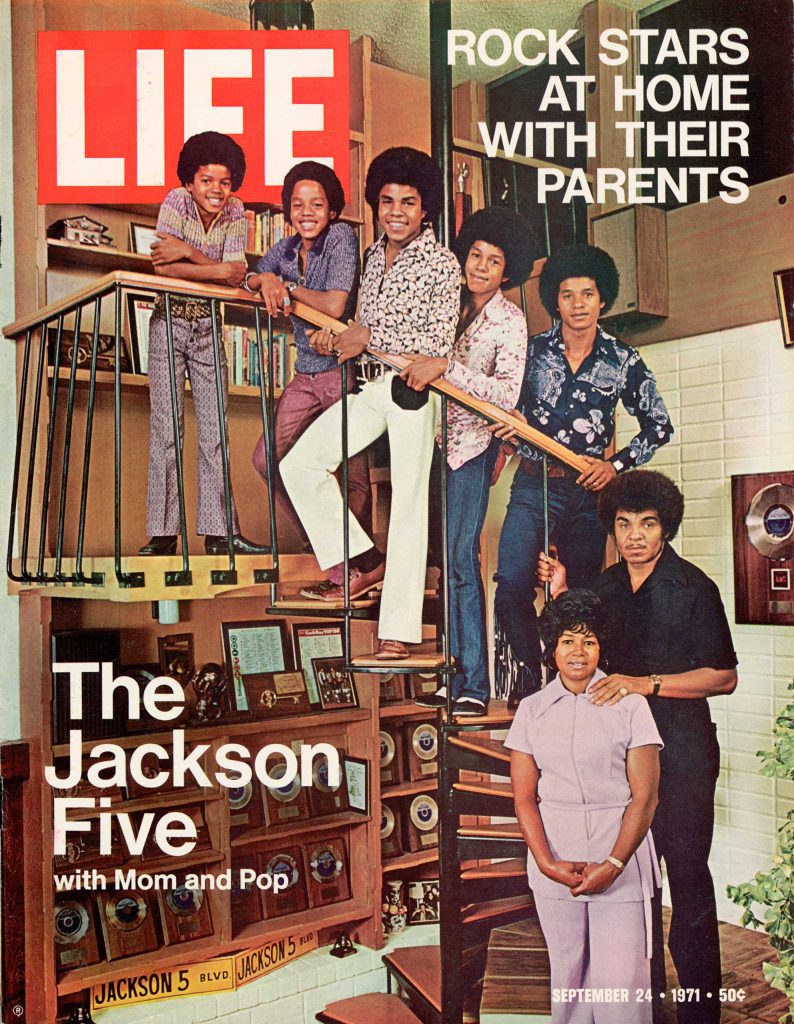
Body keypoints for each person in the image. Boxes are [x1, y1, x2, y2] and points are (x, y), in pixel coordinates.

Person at [538, 470, 738, 1024]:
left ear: (665, 527)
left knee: (688, 877)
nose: (634, 536)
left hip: (684, 751)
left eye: (647, 525)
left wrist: (643, 682)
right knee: (631, 881)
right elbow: (577, 649)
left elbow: (723, 677)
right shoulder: (602, 589)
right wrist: (559, 594)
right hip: (619, 758)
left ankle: (702, 1015)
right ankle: (640, 1006)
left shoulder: (695, 587)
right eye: (624, 524)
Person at [280, 147, 460, 659]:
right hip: (369, 388)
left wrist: (367, 335)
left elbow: (437, 344)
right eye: (386, 201)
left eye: (408, 201)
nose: (396, 211)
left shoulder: (442, 264)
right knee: (300, 465)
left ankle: (397, 632)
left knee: (407, 506)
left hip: (413, 393)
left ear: (426, 210)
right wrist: (335, 340)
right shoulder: (371, 256)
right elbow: (355, 328)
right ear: (375, 204)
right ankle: (360, 559)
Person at [492, 243, 674, 706]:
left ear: (602, 299)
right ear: (554, 299)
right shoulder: (529, 352)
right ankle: (530, 684)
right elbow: (503, 407)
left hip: (588, 496)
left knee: (583, 598)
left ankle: (569, 688)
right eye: (568, 295)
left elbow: (659, 425)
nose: (577, 304)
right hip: (533, 482)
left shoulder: (622, 359)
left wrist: (613, 465)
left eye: (587, 294)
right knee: (512, 581)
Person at [505, 590, 663, 1024]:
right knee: (568, 980)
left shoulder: (631, 705)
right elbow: (523, 798)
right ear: (552, 647)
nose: (578, 651)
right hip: (555, 858)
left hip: (622, 858)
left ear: (602, 647)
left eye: (589, 641)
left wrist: (613, 863)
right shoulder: (532, 711)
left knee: (623, 987)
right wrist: (545, 862)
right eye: (568, 640)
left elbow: (645, 797)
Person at [412, 206, 535, 715]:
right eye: (476, 255)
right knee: (445, 563)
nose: (480, 266)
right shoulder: (448, 302)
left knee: (463, 561)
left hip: (471, 447)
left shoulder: (510, 320)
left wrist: (448, 368)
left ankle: (474, 686)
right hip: (429, 440)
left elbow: (505, 393)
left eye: (494, 260)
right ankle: (452, 671)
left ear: (508, 270)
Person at [140, 131, 268, 556]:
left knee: (216, 431)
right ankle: (163, 535)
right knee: (167, 430)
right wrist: (214, 269)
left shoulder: (236, 211)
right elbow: (163, 271)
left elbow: (236, 275)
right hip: (169, 322)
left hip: (209, 327)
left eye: (224, 181)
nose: (216, 190)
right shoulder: (175, 202)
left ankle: (219, 534)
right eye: (207, 180)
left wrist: (189, 256)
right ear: (191, 181)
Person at [243, 161, 368, 595]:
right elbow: (251, 275)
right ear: (287, 211)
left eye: (317, 203)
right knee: (266, 459)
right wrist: (267, 279)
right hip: (305, 372)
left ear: (332, 209)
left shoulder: (341, 238)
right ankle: (329, 550)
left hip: (341, 370)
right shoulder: (285, 248)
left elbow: (334, 305)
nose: (307, 211)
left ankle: (356, 574)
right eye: (297, 204)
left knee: (351, 474)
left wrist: (286, 289)